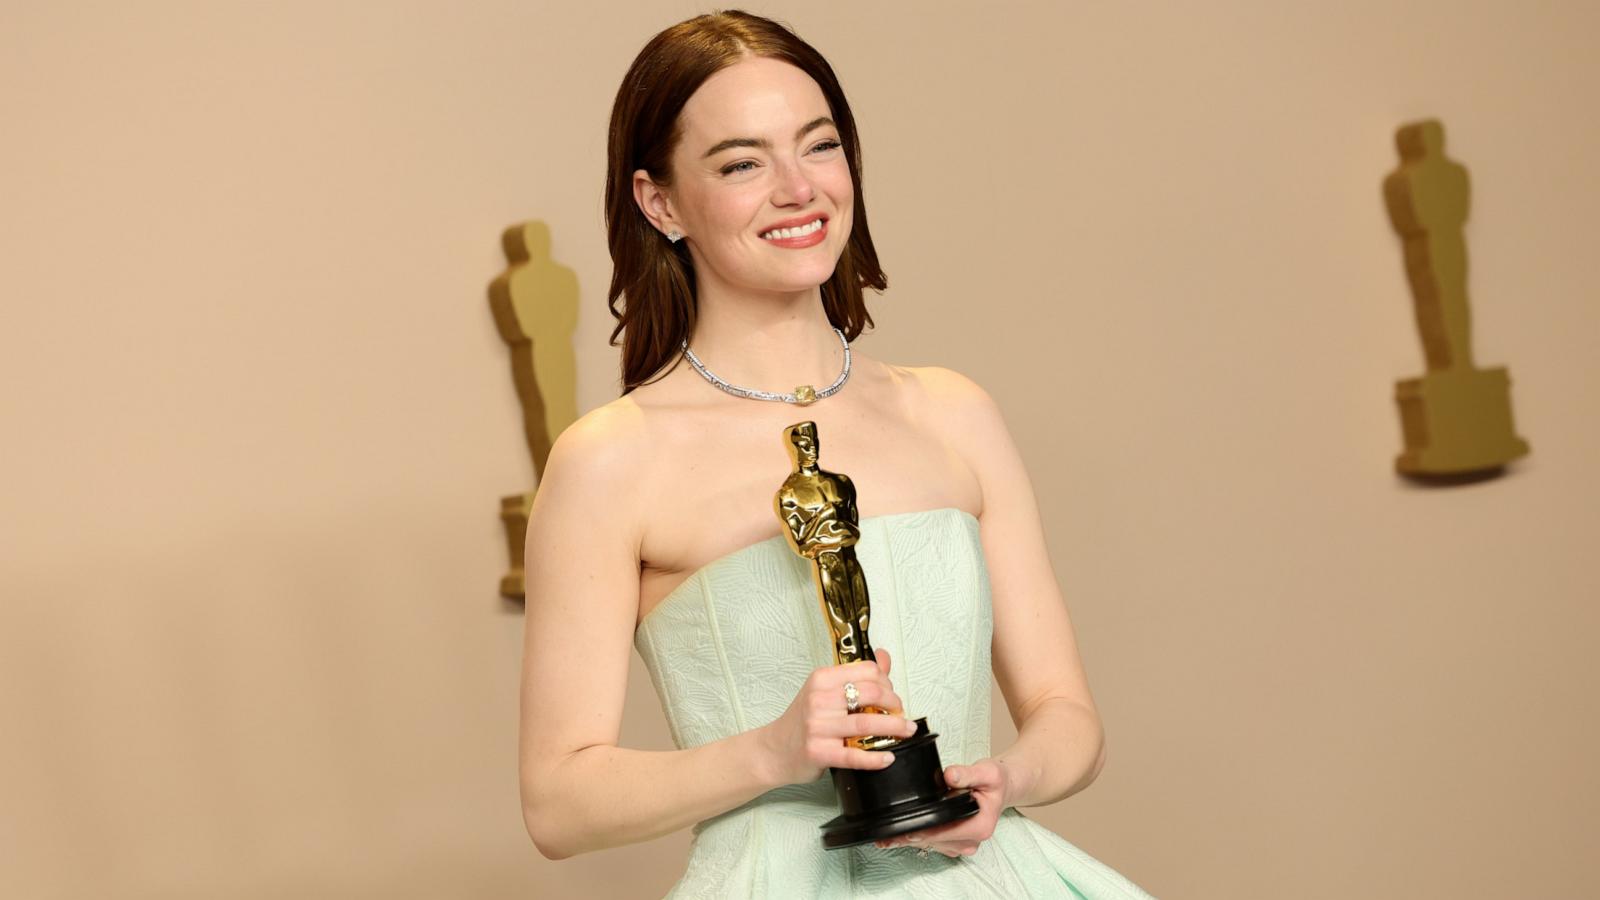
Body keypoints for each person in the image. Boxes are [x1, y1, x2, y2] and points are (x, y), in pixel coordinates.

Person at [518, 10, 1156, 898]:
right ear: (658, 202)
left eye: (818, 147)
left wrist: (1007, 780)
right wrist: (771, 751)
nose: (797, 189)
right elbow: (557, 804)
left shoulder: (952, 412)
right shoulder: (611, 460)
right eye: (742, 163)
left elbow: (1067, 716)